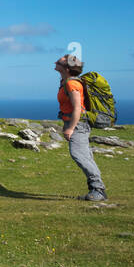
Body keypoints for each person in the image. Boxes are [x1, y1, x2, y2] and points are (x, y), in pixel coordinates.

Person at [55, 54, 106, 201]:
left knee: (79, 155)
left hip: (78, 124)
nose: (55, 62)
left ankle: (98, 189)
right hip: (77, 123)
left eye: (58, 62)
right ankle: (95, 189)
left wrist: (71, 128)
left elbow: (78, 108)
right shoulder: (66, 81)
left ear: (67, 68)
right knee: (85, 155)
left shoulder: (72, 84)